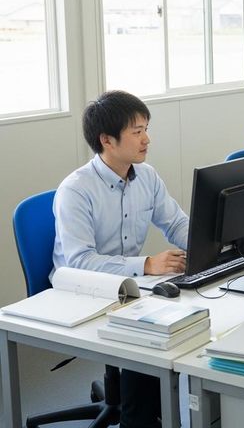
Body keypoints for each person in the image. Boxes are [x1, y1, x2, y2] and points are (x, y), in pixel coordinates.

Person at [52, 90, 188, 428]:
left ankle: (157, 409)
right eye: (137, 132)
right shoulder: (76, 190)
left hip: (130, 287)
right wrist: (146, 265)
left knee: (186, 314)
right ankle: (137, 419)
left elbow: (175, 223)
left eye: (146, 129)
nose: (147, 139)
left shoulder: (147, 176)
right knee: (151, 337)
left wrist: (210, 243)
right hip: (82, 291)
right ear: (107, 140)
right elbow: (79, 261)